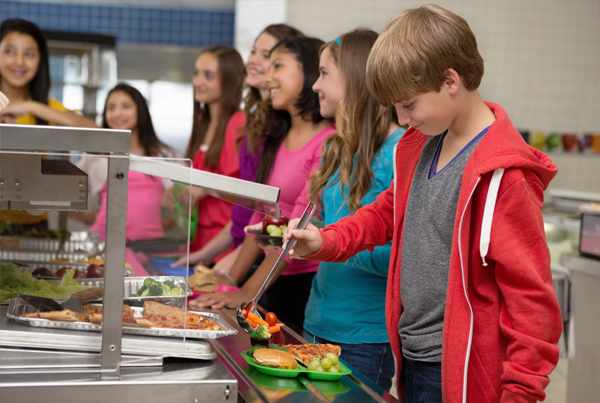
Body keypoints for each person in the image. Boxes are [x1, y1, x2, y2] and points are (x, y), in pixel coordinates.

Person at [284, 5, 562, 403]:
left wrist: (521, 391)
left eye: (409, 104)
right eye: (395, 107)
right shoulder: (422, 147)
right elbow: (385, 213)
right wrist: (326, 241)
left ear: (451, 80)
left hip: (462, 369)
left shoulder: (505, 175)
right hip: (411, 358)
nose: (401, 119)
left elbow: (532, 301)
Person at [190, 36, 335, 331]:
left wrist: (248, 292)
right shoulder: (275, 138)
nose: (267, 78)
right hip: (270, 276)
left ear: (308, 72)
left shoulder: (327, 142)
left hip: (301, 283)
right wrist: (232, 281)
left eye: (277, 66)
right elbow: (263, 213)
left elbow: (298, 225)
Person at [299, 29, 404, 390]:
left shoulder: (398, 151)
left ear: (356, 81)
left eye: (325, 73)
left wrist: (329, 246)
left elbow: (402, 259)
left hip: (363, 337)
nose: (315, 85)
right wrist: (288, 232)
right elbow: (328, 220)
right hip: (316, 320)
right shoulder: (336, 146)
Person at [171, 24, 303, 273]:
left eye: (272, 59)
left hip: (266, 258)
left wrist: (234, 260)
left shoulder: (254, 125)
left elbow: (263, 208)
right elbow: (254, 211)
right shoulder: (254, 123)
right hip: (241, 249)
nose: (253, 60)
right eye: (254, 51)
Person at [0, 18, 97, 234]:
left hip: (33, 227)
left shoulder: (45, 109)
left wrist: (31, 105)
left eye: (30, 54)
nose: (19, 61)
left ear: (41, 60)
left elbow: (96, 134)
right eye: (9, 51)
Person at [72, 83, 181, 241]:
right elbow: (67, 189)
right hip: (104, 244)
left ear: (141, 111)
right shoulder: (95, 155)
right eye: (111, 108)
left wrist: (169, 222)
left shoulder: (166, 154)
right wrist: (85, 218)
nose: (117, 113)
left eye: (126, 106)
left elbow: (184, 200)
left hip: (150, 247)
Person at [167, 45, 246, 259]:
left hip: (225, 247)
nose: (198, 82)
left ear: (234, 81)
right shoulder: (203, 124)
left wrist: (204, 189)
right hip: (197, 243)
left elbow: (247, 193)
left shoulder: (239, 124)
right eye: (196, 73)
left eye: (208, 76)